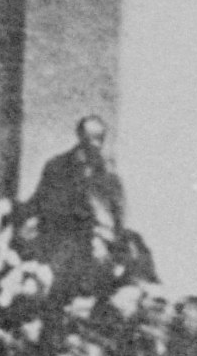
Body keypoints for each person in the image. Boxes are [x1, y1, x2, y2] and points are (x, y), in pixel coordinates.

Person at [27, 115, 125, 293]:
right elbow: (45, 204)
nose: (96, 144)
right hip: (63, 239)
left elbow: (116, 214)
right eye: (91, 138)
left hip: (99, 245)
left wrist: (107, 239)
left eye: (100, 139)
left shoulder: (108, 175)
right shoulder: (58, 167)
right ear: (80, 137)